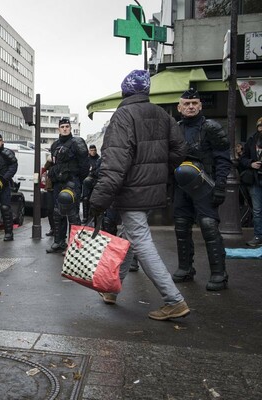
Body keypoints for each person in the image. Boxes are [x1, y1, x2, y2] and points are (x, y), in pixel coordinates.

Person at [90, 69, 190, 321]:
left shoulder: (123, 115)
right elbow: (179, 149)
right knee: (130, 237)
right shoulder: (161, 114)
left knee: (141, 242)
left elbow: (114, 162)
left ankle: (174, 300)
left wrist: (98, 199)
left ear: (125, 91)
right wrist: (158, 171)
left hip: (132, 191)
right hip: (151, 190)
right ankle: (111, 289)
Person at [172, 88, 231, 291]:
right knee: (181, 226)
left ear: (200, 105)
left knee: (208, 226)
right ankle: (185, 268)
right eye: (186, 104)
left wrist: (221, 185)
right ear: (179, 107)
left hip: (205, 184)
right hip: (181, 186)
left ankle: (219, 274)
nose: (190, 107)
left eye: (194, 103)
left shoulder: (211, 128)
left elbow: (223, 158)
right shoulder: (175, 129)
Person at [46, 117, 89, 254]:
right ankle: (59, 242)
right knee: (58, 213)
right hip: (58, 183)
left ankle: (74, 245)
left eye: (67, 126)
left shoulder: (77, 142)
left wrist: (78, 181)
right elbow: (54, 163)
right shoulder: (55, 145)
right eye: (62, 126)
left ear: (70, 128)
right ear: (59, 128)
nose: (65, 128)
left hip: (72, 181)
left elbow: (84, 165)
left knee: (73, 214)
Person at [239, 117, 262, 247]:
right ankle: (258, 235)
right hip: (255, 180)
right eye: (260, 126)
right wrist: (251, 164)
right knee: (257, 210)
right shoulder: (252, 140)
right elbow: (243, 159)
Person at [82, 145, 100, 222]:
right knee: (85, 199)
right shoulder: (86, 159)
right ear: (89, 151)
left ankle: (93, 217)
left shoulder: (99, 159)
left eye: (94, 150)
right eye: (91, 150)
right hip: (86, 182)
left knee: (95, 200)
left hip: (96, 181)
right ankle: (85, 217)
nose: (93, 152)